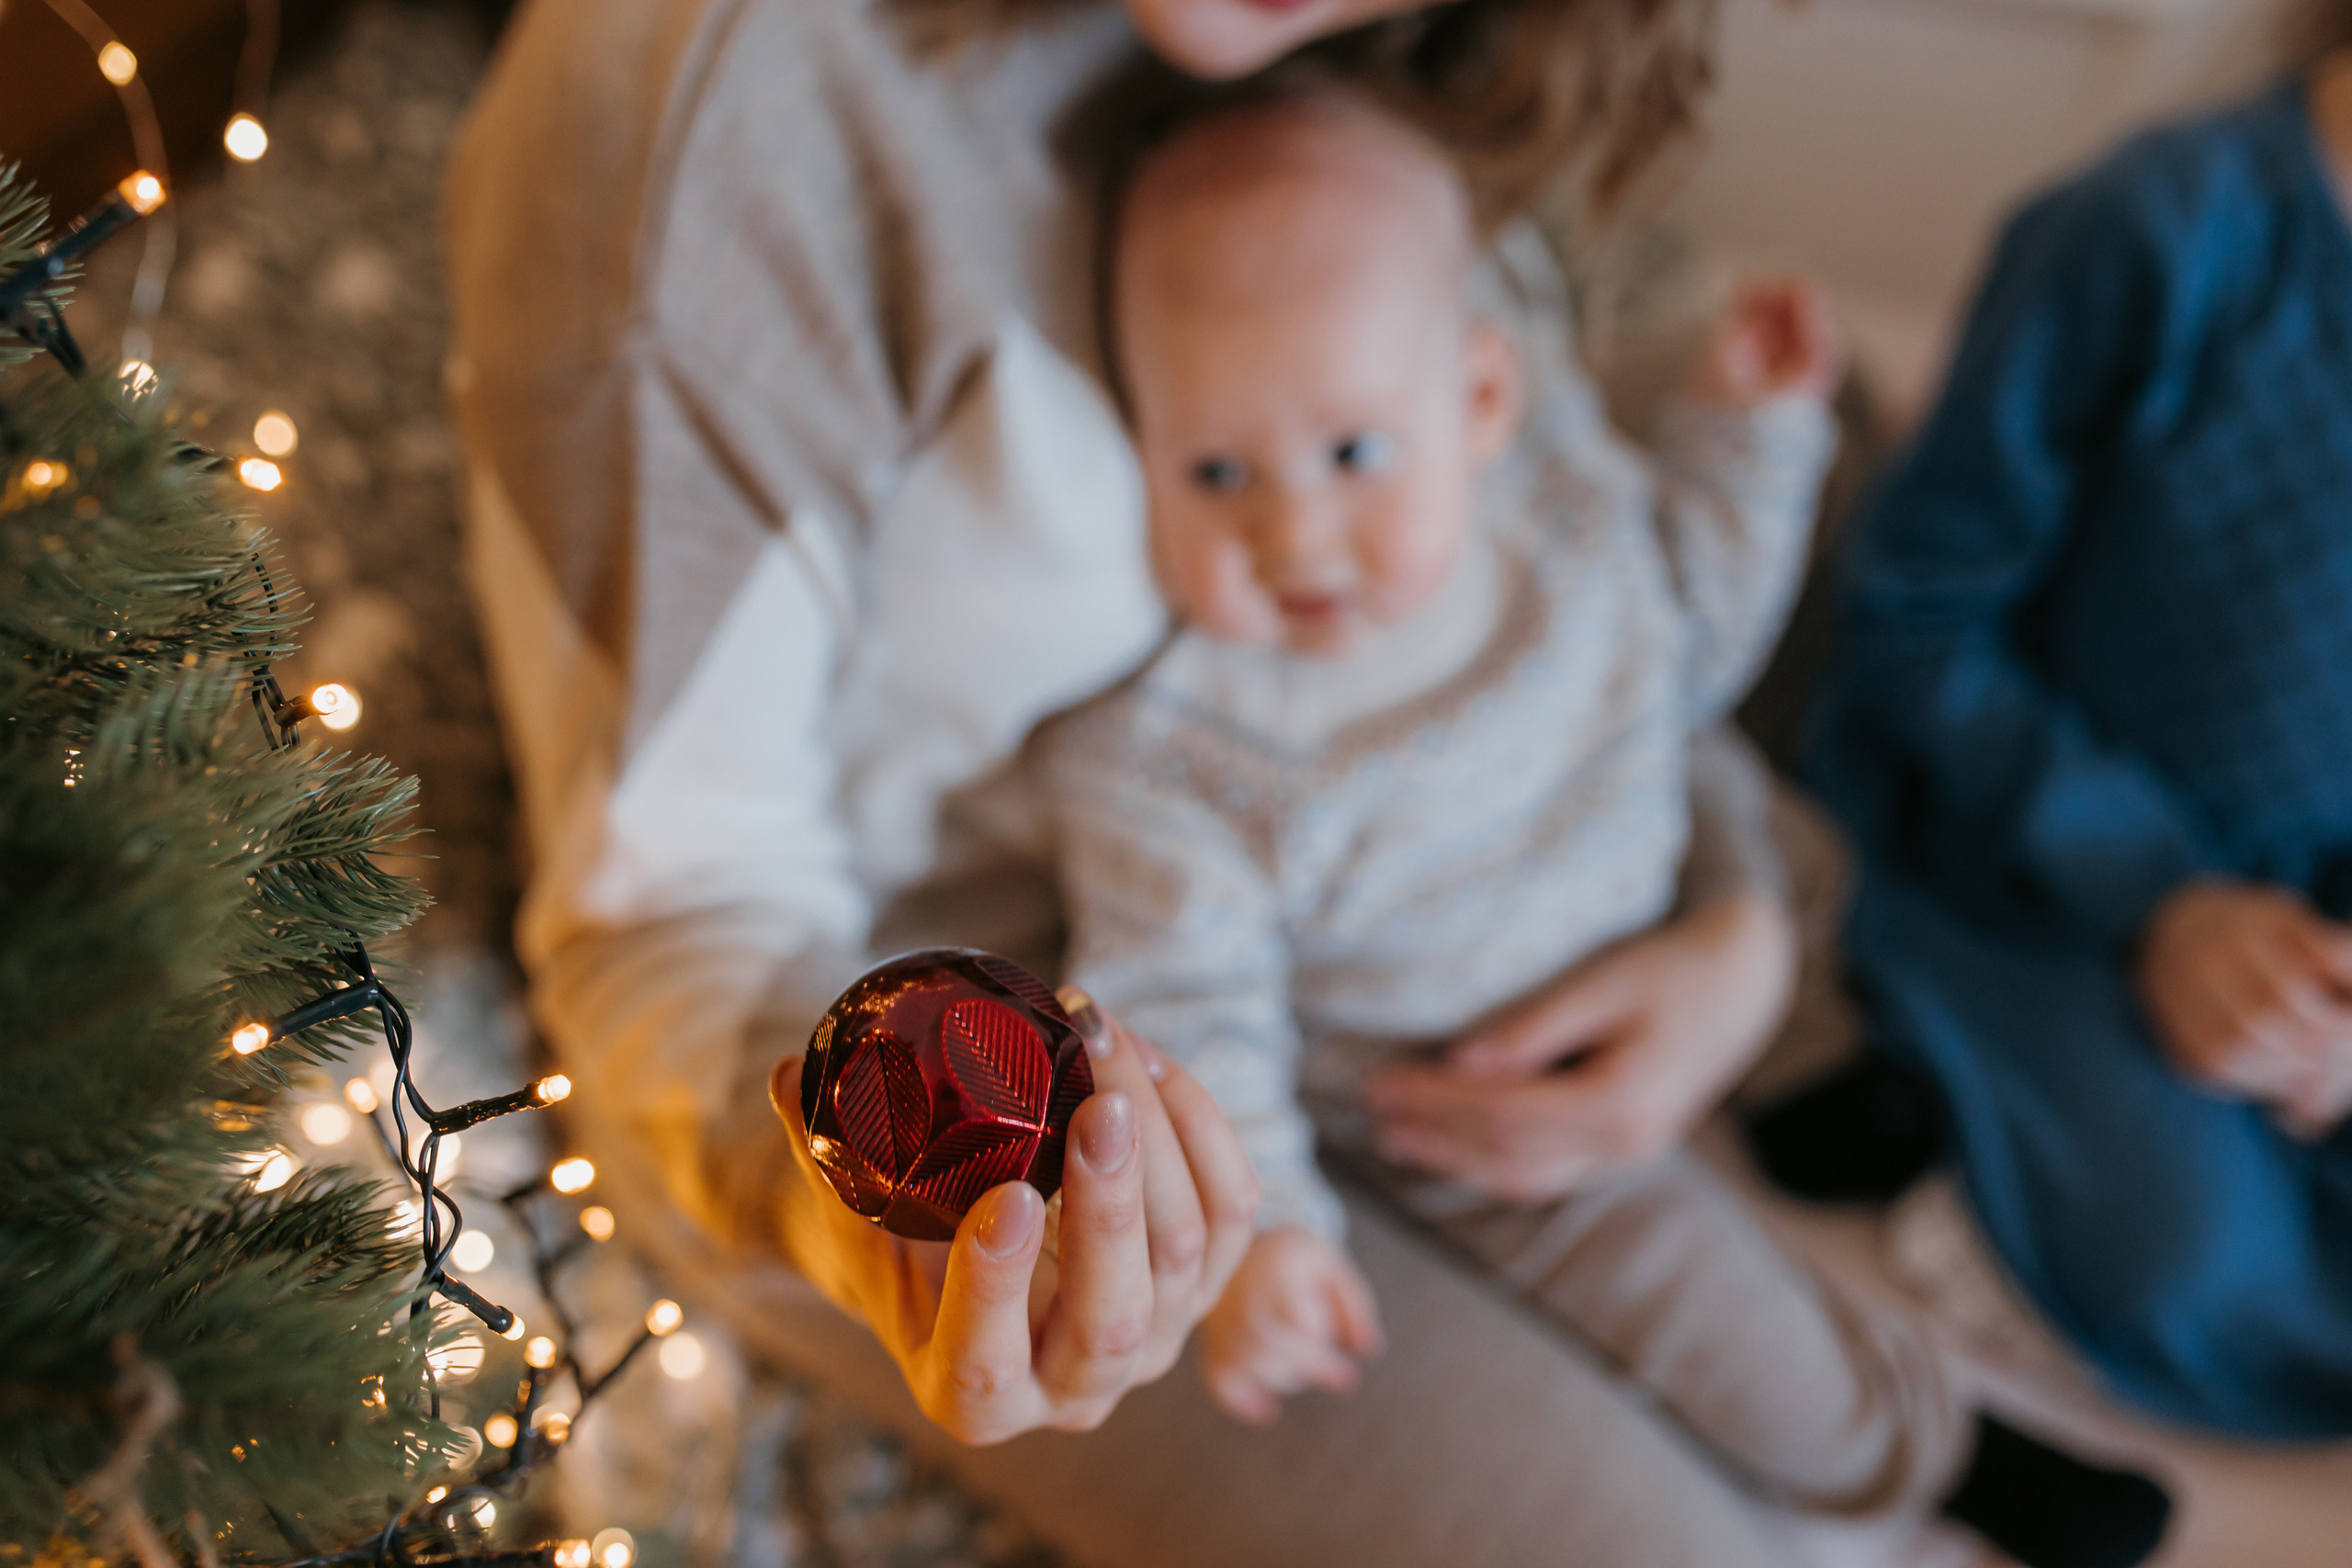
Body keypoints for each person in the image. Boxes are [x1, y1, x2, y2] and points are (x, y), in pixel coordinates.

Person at [447, 0, 1870, 1561]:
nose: (1299, 537)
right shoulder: (716, 130)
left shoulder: (1424, 52)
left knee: (1815, 1395)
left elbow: (1569, 598)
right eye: (1217, 475)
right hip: (995, 1110)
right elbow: (671, 928)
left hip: (1401, 969)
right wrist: (879, 1225)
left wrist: (1736, 921)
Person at [1039, 85, 2170, 1568]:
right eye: (1216, 472)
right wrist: (1268, 1238)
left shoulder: (1561, 519)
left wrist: (1750, 441)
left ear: (1480, 402)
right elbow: (1185, 1019)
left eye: (1354, 454)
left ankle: (1805, 1063)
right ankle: (1930, 1446)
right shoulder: (1175, 756)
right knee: (1713, 1315)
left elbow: (1692, 643)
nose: (1294, 535)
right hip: (1473, 1099)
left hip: (1651, 881)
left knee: (1803, 860)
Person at [1767, 13, 2352, 1445]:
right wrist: (2166, 904)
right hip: (2039, 860)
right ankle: (1939, 1125)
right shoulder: (2164, 227)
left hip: (2315, 920)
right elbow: (1917, 618)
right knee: (2193, 1260)